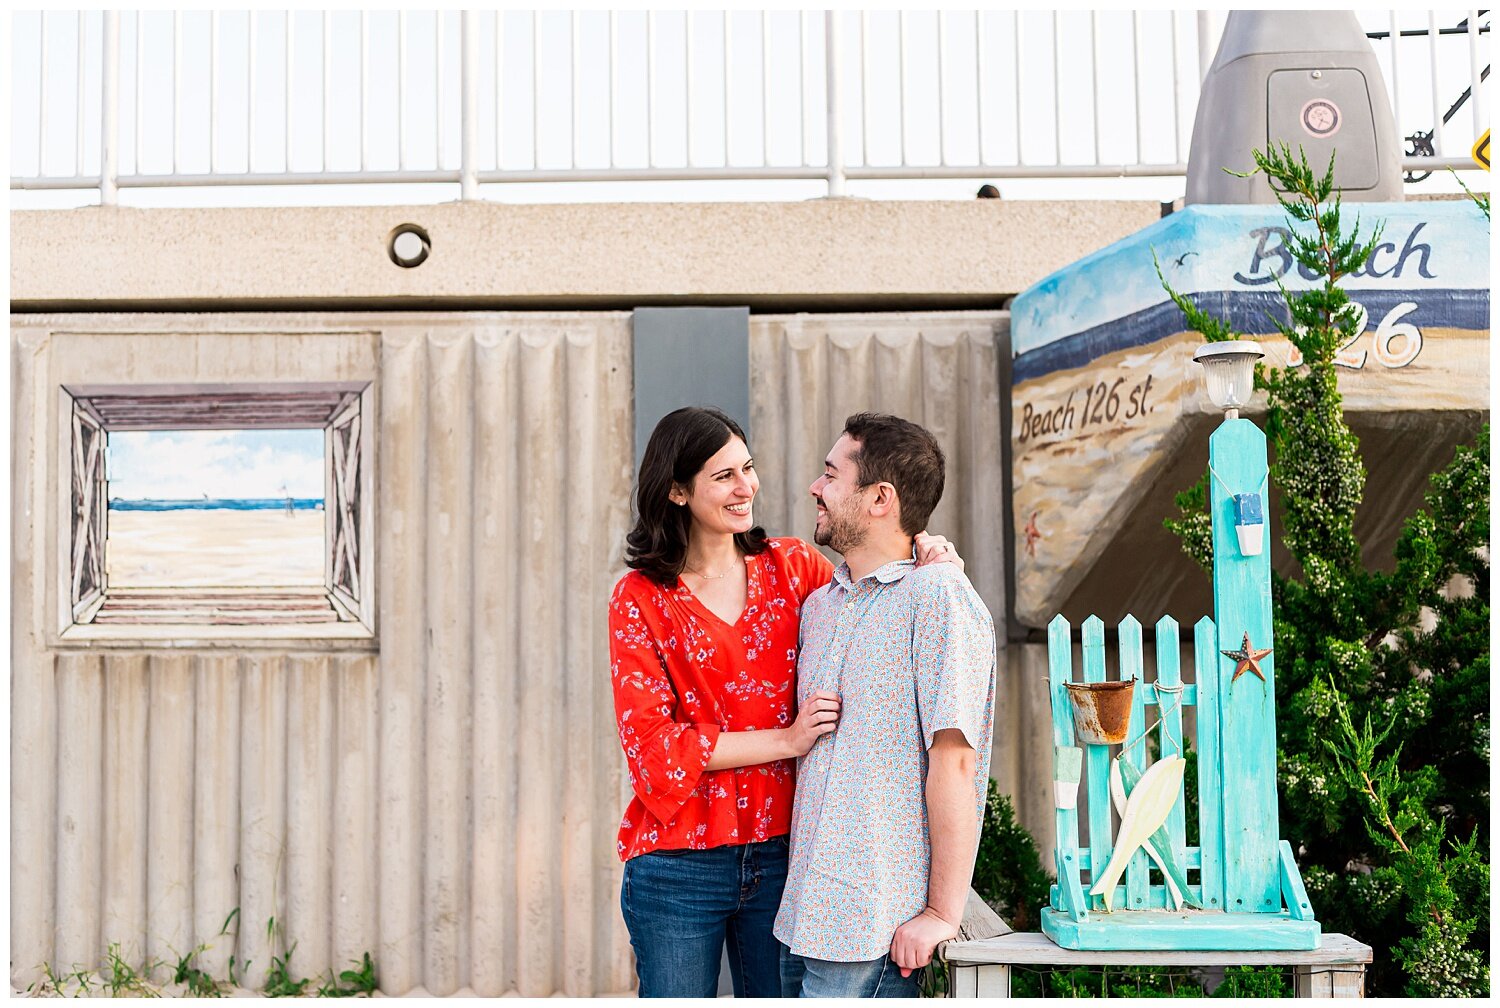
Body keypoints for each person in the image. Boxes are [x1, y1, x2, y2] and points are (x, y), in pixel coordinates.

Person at [608, 406, 962, 998]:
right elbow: (655, 751)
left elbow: (869, 593)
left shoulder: (792, 567)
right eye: (723, 476)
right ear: (675, 490)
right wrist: (789, 740)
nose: (746, 487)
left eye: (747, 468)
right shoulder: (639, 598)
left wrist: (923, 550)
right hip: (677, 864)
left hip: (784, 856)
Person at [775, 412, 996, 999]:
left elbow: (956, 764)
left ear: (880, 498)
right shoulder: (820, 607)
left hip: (873, 927)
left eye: (831, 475)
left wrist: (942, 915)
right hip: (800, 918)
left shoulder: (940, 598)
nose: (816, 489)